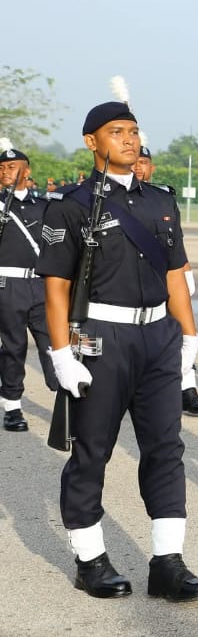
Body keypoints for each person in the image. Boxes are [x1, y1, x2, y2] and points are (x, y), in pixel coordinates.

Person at [38, 77, 198, 600]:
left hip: (158, 335)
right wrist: (61, 352)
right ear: (92, 142)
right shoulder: (69, 206)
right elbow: (56, 288)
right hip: (100, 337)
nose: (130, 140)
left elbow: (177, 274)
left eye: (134, 131)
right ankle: (91, 559)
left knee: (166, 448)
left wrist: (187, 339)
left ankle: (168, 562)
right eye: (118, 132)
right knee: (92, 450)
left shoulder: (160, 200)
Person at [132, 135, 198, 417]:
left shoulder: (163, 199)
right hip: (127, 283)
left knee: (177, 334)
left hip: (165, 278)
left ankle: (187, 389)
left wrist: (186, 273)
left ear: (151, 168)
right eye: (135, 161)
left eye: (144, 162)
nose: (138, 167)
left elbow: (174, 244)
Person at [0, 138, 58, 432]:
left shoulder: (45, 205)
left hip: (40, 283)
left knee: (54, 343)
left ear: (26, 170)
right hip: (6, 285)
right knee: (14, 346)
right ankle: (12, 408)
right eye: (1, 167)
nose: (5, 171)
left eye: (12, 166)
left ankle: (63, 398)